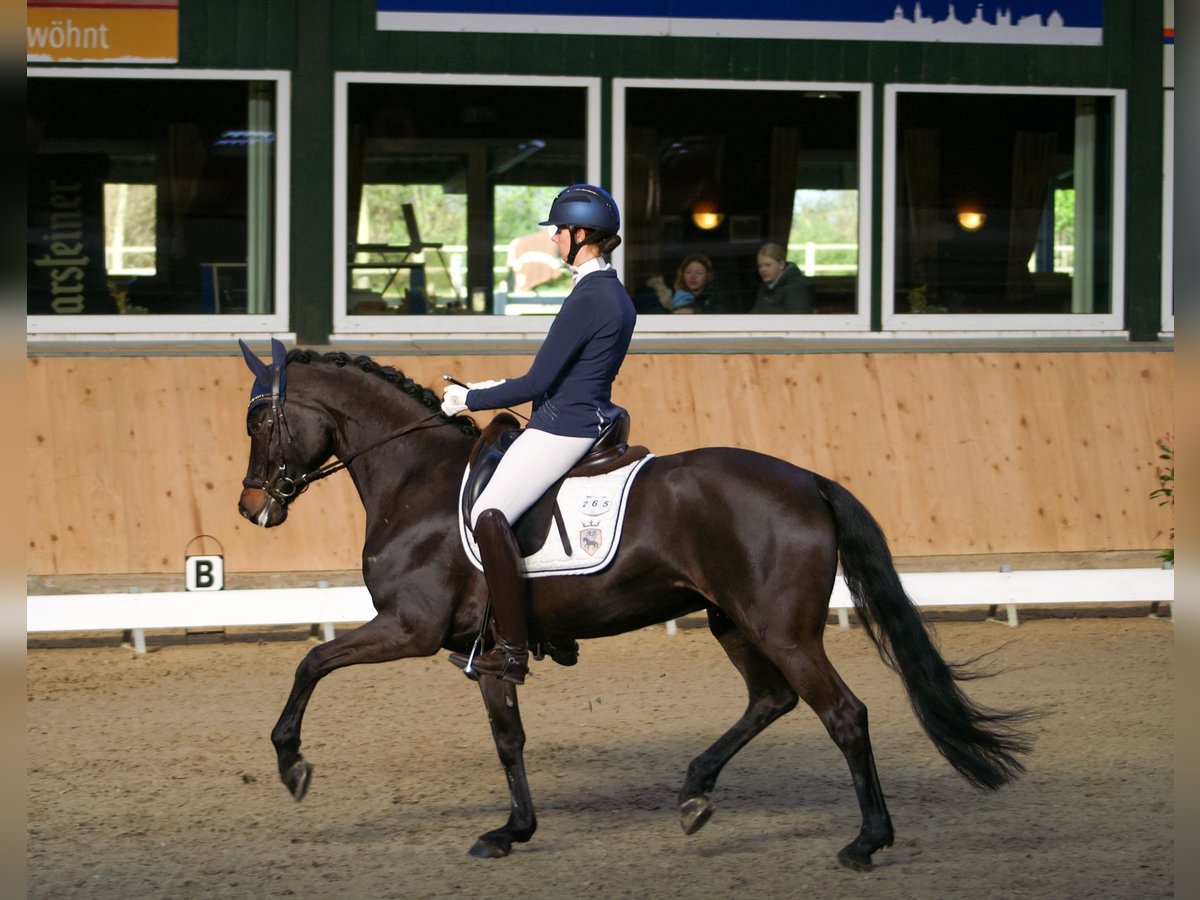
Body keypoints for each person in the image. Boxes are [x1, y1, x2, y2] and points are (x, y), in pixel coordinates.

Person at [440, 184, 636, 685]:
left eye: (559, 232)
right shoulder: (609, 291)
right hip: (587, 416)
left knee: (490, 514)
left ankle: (511, 649)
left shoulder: (590, 298)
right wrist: (486, 386)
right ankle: (553, 624)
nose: (552, 241)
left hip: (563, 425)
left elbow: (538, 382)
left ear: (582, 235)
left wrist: (470, 400)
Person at [647, 253, 735, 314]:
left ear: (707, 276)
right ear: (682, 275)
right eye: (688, 272)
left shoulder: (715, 296)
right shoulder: (670, 295)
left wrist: (695, 311)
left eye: (699, 273)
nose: (693, 277)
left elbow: (724, 312)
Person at [751, 242, 814, 313]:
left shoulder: (796, 288)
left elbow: (797, 320)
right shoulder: (764, 288)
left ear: (781, 264)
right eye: (760, 266)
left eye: (767, 265)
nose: (762, 270)